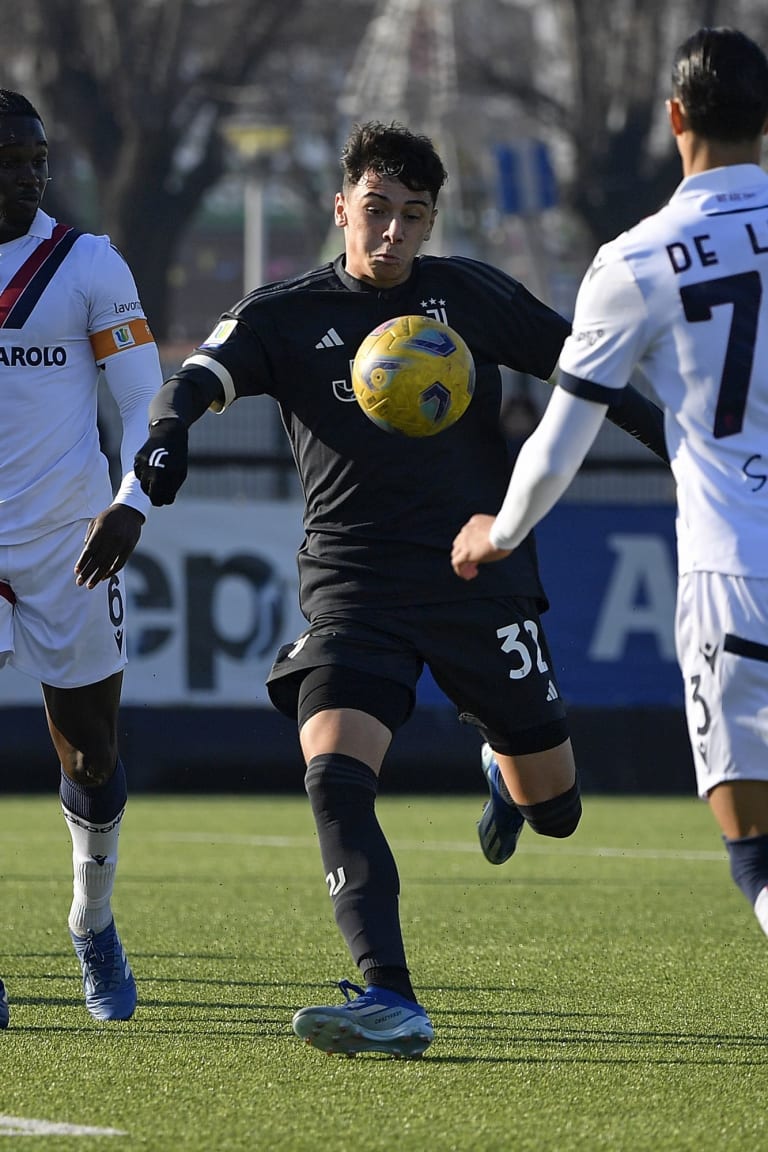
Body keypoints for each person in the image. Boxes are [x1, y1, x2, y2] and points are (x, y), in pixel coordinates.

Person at [133, 120, 668, 1058]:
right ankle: (392, 998)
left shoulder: (470, 296)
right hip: (353, 585)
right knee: (335, 782)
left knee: (559, 812)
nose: (389, 235)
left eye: (410, 218)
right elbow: (198, 377)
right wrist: (169, 432)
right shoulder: (286, 312)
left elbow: (587, 371)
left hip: (478, 576)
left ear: (430, 223)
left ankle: (507, 771)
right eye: (374, 212)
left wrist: (672, 442)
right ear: (342, 206)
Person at [452, 27, 768, 947]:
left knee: (754, 851)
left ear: (675, 118)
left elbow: (559, 440)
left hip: (735, 574)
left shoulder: (638, 259)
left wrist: (499, 533)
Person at [0, 90, 163, 1028]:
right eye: (9, 159)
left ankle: (91, 921)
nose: (27, 174)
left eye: (36, 159)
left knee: (90, 753)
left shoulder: (88, 263)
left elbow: (147, 402)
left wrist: (130, 503)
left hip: (70, 542)